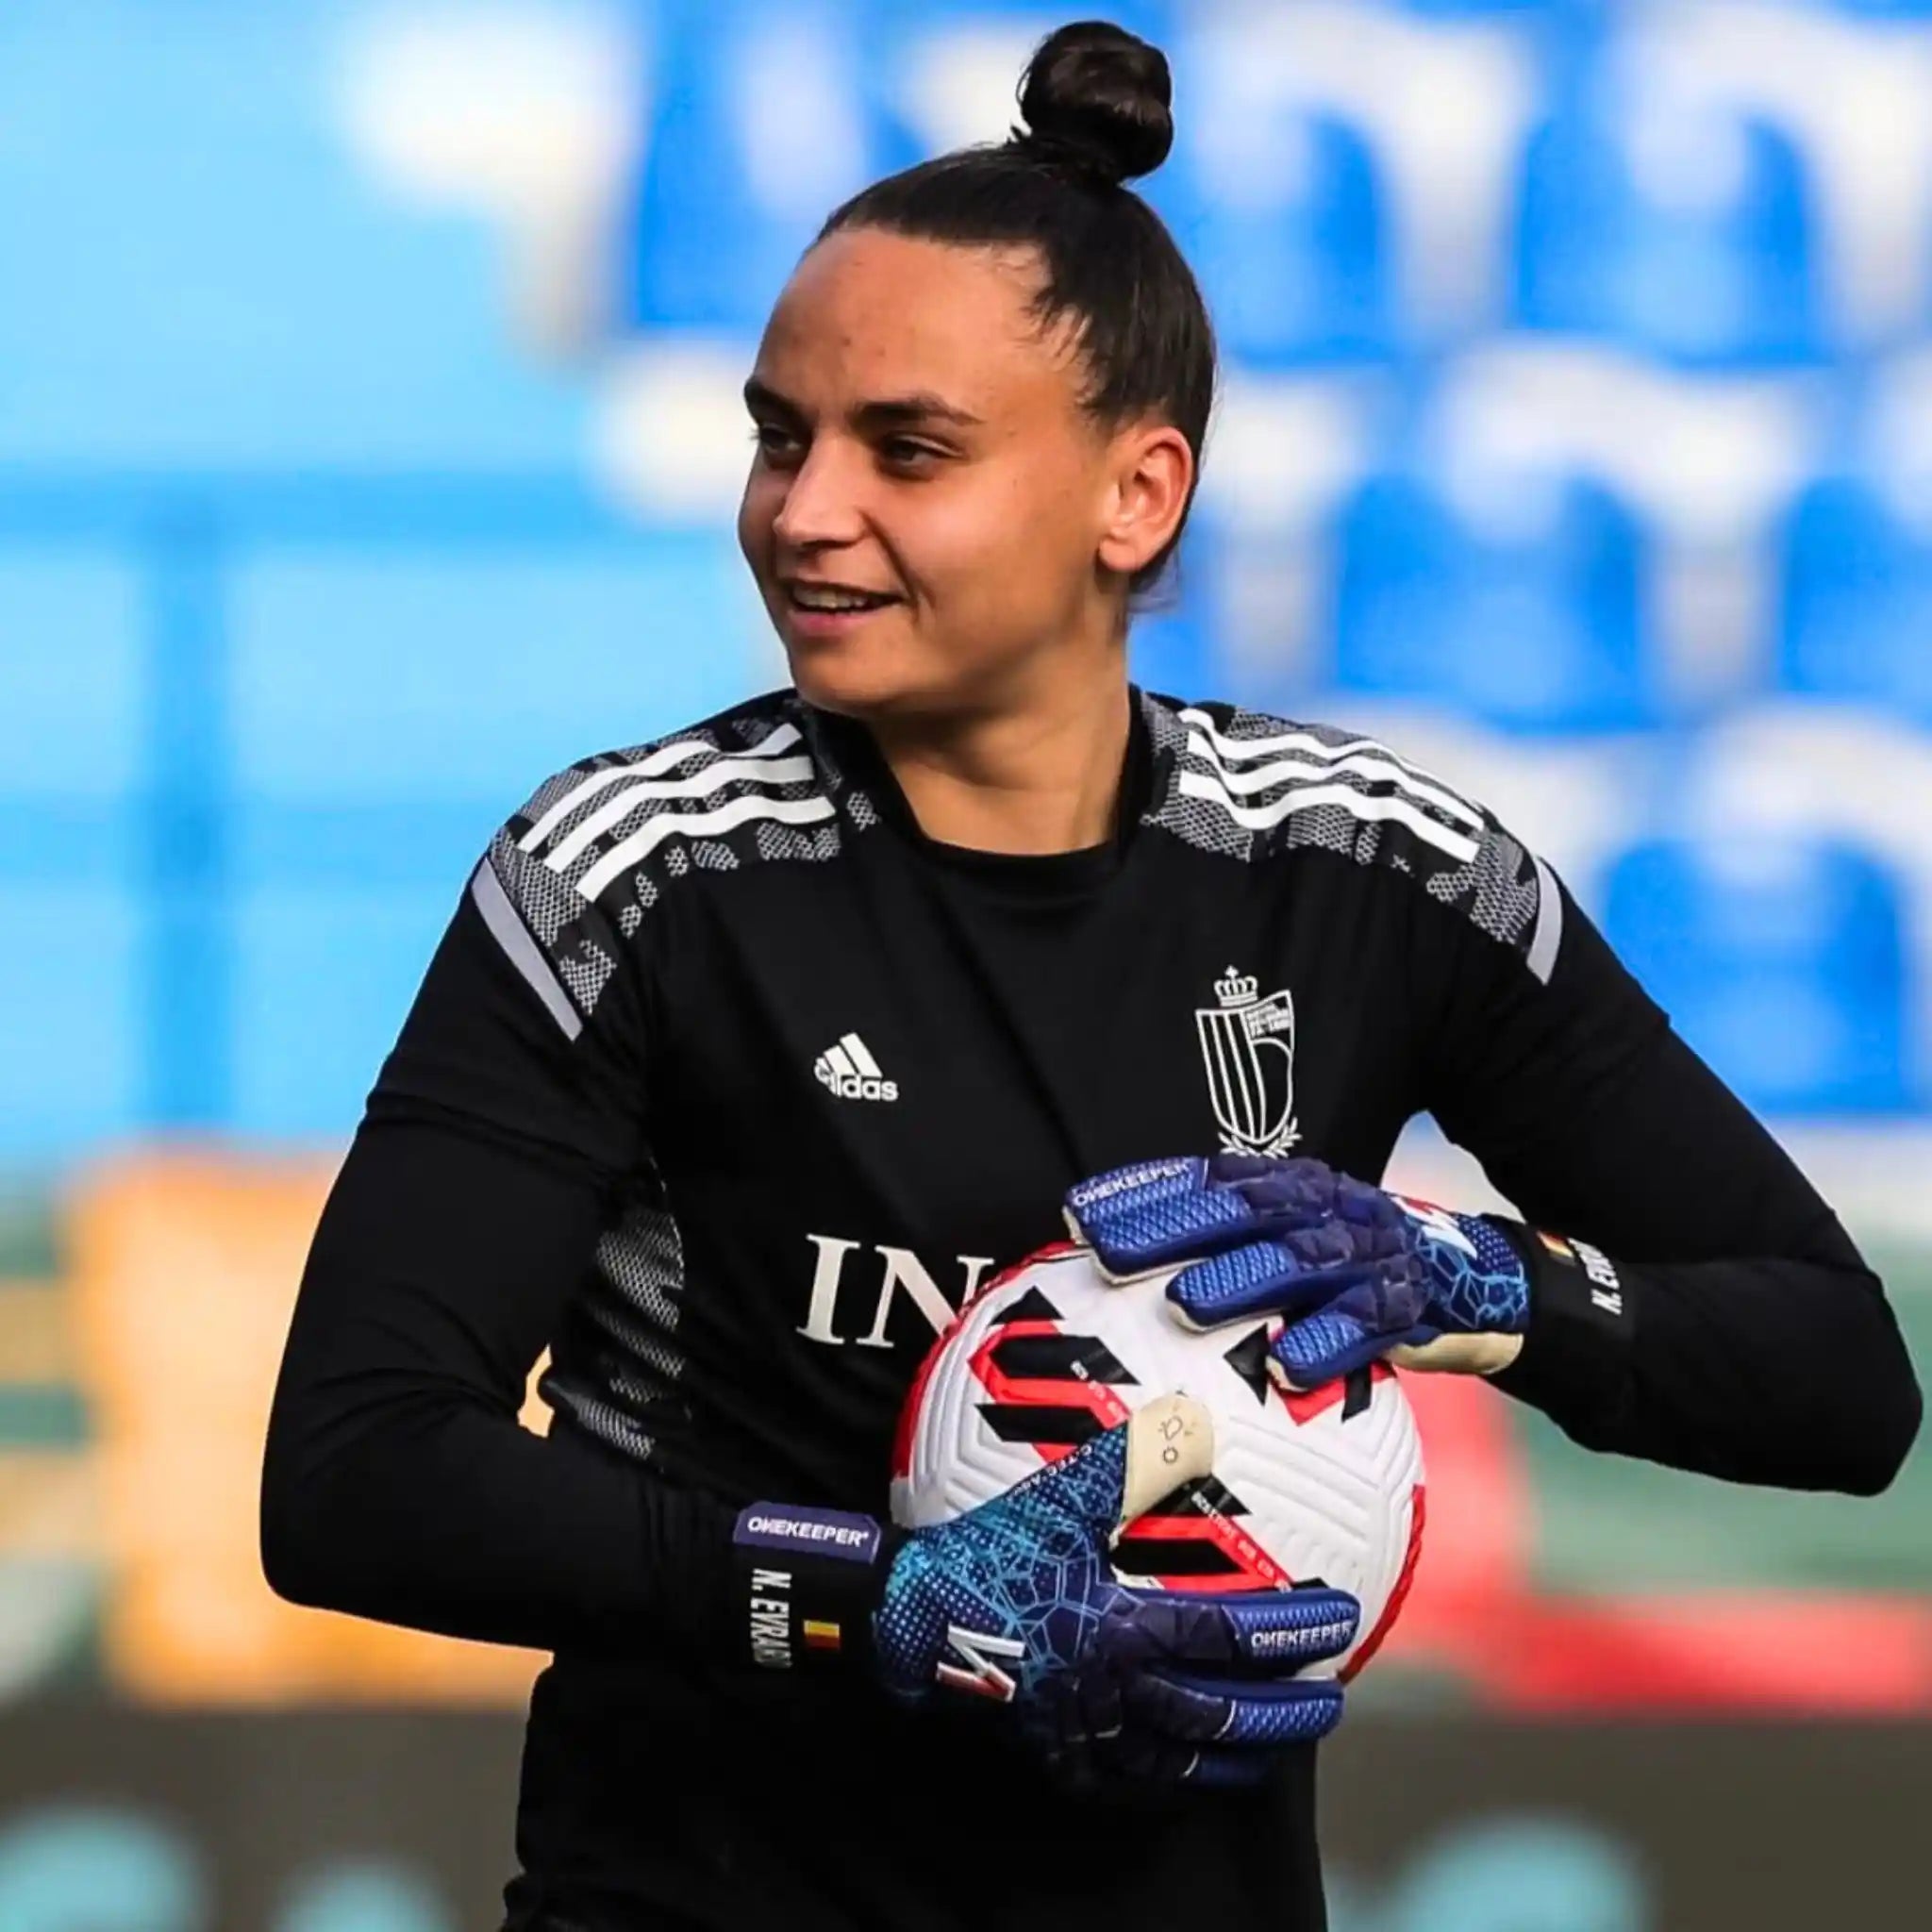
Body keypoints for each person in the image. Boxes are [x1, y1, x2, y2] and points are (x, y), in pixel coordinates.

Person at [258, 19, 1922, 1931]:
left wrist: (1469, 1284)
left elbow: (1836, 1374)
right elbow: (358, 1470)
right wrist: (870, 1596)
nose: (803, 509)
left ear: (1137, 495)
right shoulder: (634, 871)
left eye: (908, 450)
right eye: (779, 435)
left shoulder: (1370, 871)